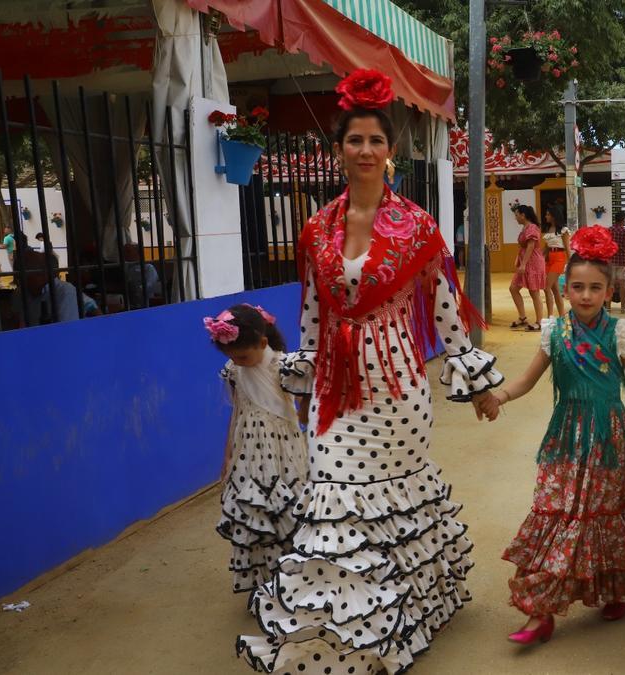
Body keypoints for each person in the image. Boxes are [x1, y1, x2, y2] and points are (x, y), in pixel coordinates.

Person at [236, 69, 502, 674]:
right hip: (334, 384)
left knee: (394, 501)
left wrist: (477, 382)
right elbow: (309, 312)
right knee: (332, 496)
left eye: (375, 141)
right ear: (339, 150)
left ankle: (402, 613)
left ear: (391, 151)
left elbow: (443, 309)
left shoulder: (418, 228)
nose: (364, 151)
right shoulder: (316, 229)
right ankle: (332, 628)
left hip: (397, 384)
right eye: (353, 141)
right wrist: (299, 382)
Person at [479, 226, 625, 645]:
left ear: (609, 291)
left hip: (611, 442)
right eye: (578, 286)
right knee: (559, 515)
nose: (586, 295)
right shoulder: (553, 332)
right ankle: (541, 613)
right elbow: (527, 382)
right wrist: (498, 397)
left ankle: (616, 589)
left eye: (595, 288)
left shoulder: (620, 333)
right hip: (565, 440)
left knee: (611, 515)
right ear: (565, 289)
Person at [205, 304, 307, 594]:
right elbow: (236, 412)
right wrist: (227, 454)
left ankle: (296, 579)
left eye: (243, 356)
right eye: (232, 357)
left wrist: (304, 414)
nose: (238, 361)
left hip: (284, 451)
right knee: (255, 512)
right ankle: (266, 583)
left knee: (287, 508)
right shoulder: (234, 370)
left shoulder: (284, 366)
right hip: (248, 452)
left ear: (263, 343)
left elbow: (304, 409)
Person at [510, 204, 547, 332]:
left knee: (534, 291)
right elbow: (523, 247)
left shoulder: (532, 228)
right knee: (513, 288)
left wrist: (524, 264)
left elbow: (531, 246)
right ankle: (522, 317)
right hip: (525, 262)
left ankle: (539, 322)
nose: (515, 218)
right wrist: (518, 260)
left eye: (516, 215)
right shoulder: (525, 228)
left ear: (523, 215)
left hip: (533, 263)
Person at [541, 205, 570, 318]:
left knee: (546, 287)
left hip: (559, 258)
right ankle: (561, 315)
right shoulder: (549, 230)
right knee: (555, 289)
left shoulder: (564, 230)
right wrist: (539, 259)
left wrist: (571, 263)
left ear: (553, 216)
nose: (546, 216)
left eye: (548, 214)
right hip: (549, 259)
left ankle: (550, 316)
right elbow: (546, 248)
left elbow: (567, 248)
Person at [609, 211, 625, 313]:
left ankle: (608, 307)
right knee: (623, 285)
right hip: (622, 260)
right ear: (623, 220)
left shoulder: (609, 230)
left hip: (611, 260)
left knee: (610, 284)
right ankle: (623, 307)